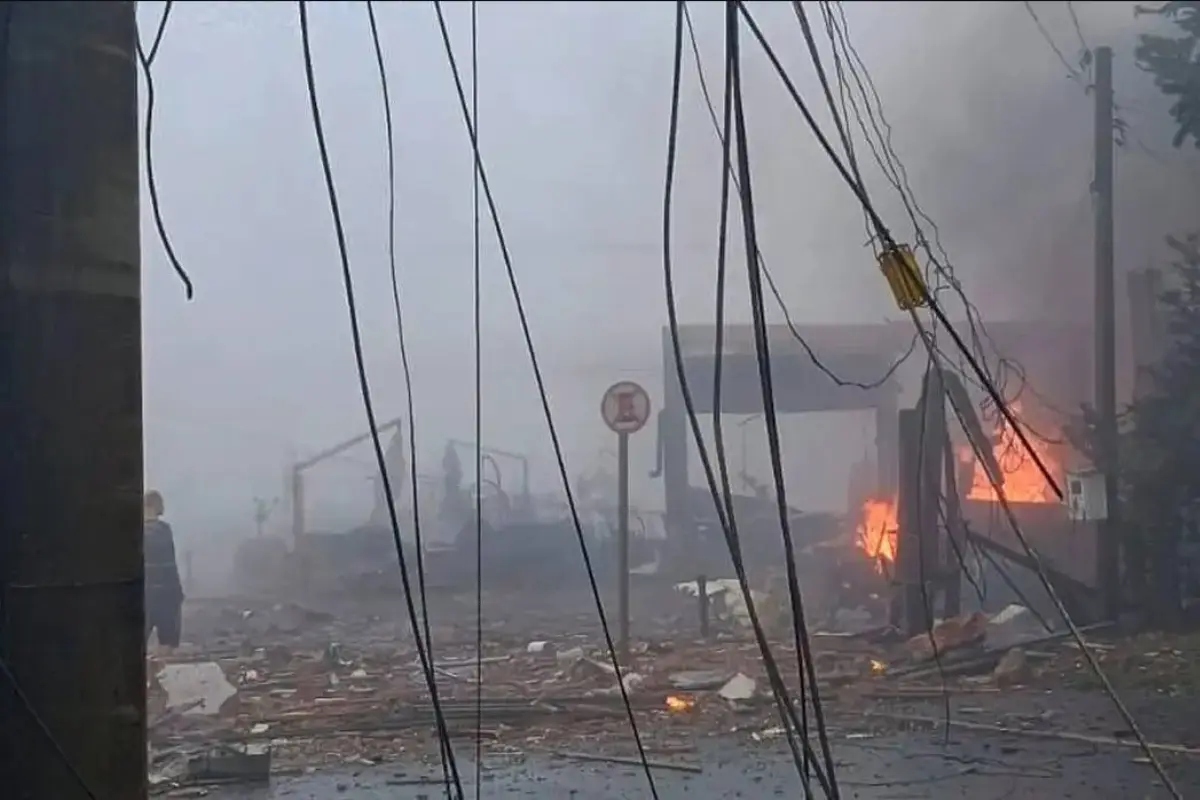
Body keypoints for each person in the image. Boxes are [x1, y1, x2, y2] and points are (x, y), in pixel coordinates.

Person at [144, 490, 184, 652]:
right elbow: (170, 566)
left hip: (145, 596)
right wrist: (177, 593)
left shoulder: (138, 531)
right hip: (165, 595)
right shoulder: (164, 530)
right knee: (166, 644)